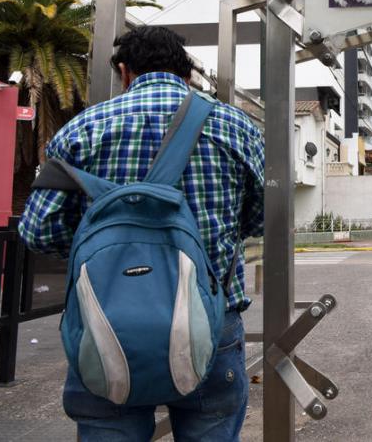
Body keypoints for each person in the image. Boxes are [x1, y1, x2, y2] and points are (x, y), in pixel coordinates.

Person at [18, 26, 265, 441]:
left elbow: (38, 231)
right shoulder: (235, 127)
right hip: (209, 320)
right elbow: (259, 220)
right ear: (187, 75)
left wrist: (102, 252)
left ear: (123, 71)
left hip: (105, 320)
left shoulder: (80, 130)